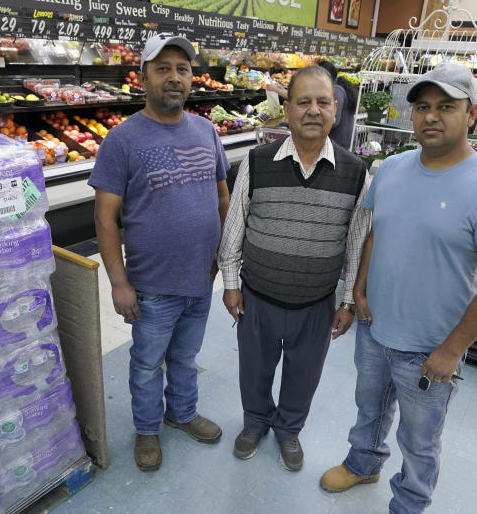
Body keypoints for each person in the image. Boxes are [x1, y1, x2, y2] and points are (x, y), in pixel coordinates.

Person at [319, 63, 477, 514]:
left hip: (431, 346)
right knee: (368, 407)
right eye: (422, 106)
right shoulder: (390, 169)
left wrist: (453, 349)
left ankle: (406, 510)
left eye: (446, 106)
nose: (431, 117)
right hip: (375, 327)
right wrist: (359, 290)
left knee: (420, 439)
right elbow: (376, 233)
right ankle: (364, 462)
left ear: (472, 114)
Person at [88, 33, 231, 472]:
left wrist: (222, 264)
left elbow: (222, 200)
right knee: (147, 364)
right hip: (151, 286)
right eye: (163, 68)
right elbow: (105, 219)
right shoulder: (122, 140)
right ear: (144, 77)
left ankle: (182, 413)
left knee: (185, 358)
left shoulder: (206, 130)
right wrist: (118, 283)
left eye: (183, 69)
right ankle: (148, 429)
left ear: (192, 79)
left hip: (200, 278)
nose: (174, 77)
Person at [218, 65, 370, 472]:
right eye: (303, 102)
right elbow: (236, 225)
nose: (313, 111)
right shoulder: (257, 160)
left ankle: (288, 430)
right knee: (254, 369)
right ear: (286, 109)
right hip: (257, 296)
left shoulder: (355, 172)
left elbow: (356, 243)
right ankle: (255, 423)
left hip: (317, 303)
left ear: (336, 111)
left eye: (323, 102)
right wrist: (231, 284)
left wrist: (348, 302)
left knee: (304, 375)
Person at [317, 60, 358, 149]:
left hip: (341, 142)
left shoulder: (336, 90)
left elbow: (335, 120)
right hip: (343, 141)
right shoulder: (337, 86)